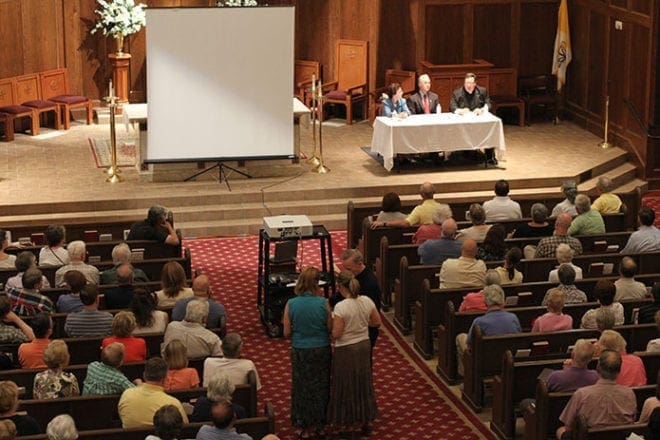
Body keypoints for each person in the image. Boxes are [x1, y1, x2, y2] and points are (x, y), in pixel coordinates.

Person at [327, 270, 379, 436]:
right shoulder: (366, 300)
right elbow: (376, 322)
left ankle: (347, 424)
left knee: (346, 385)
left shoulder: (341, 306)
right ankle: (365, 420)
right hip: (364, 344)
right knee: (363, 382)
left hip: (346, 349)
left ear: (341, 287)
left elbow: (337, 334)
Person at [282, 267, 332, 439]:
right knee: (321, 386)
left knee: (301, 387)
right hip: (321, 348)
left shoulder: (291, 304)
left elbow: (286, 333)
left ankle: (302, 425)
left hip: (300, 349)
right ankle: (320, 425)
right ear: (317, 283)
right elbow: (330, 328)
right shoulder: (323, 303)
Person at [556, 350, 636, 439]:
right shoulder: (629, 393)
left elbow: (568, 426)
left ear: (598, 367)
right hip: (619, 437)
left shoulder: (582, 394)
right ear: (619, 371)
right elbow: (632, 421)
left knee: (561, 430)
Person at [455, 285, 521, 376]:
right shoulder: (513, 318)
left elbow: (469, 345)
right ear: (503, 301)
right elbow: (519, 338)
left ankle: (467, 378)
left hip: (485, 362)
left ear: (485, 302)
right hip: (507, 360)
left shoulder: (479, 321)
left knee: (460, 337)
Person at [118, 357, 189, 428]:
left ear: (144, 375)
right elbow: (184, 428)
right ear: (165, 379)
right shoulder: (173, 404)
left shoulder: (127, 395)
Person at [333, 249, 381, 348]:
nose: (346, 271)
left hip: (364, 334)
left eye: (349, 269)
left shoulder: (369, 284)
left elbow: (375, 319)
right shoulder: (353, 275)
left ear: (359, 264)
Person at [449, 72, 496, 164]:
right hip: (462, 124)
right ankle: (463, 152)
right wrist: (460, 111)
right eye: (467, 83)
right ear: (464, 83)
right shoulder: (457, 93)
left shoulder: (482, 91)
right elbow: (452, 106)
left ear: (475, 84)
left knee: (490, 128)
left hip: (479, 123)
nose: (469, 85)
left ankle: (490, 156)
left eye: (471, 83)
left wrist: (482, 109)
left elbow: (489, 104)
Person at [370, 182, 440, 228]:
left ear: (421, 194)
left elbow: (405, 224)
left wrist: (384, 223)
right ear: (434, 193)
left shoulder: (419, 210)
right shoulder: (442, 208)